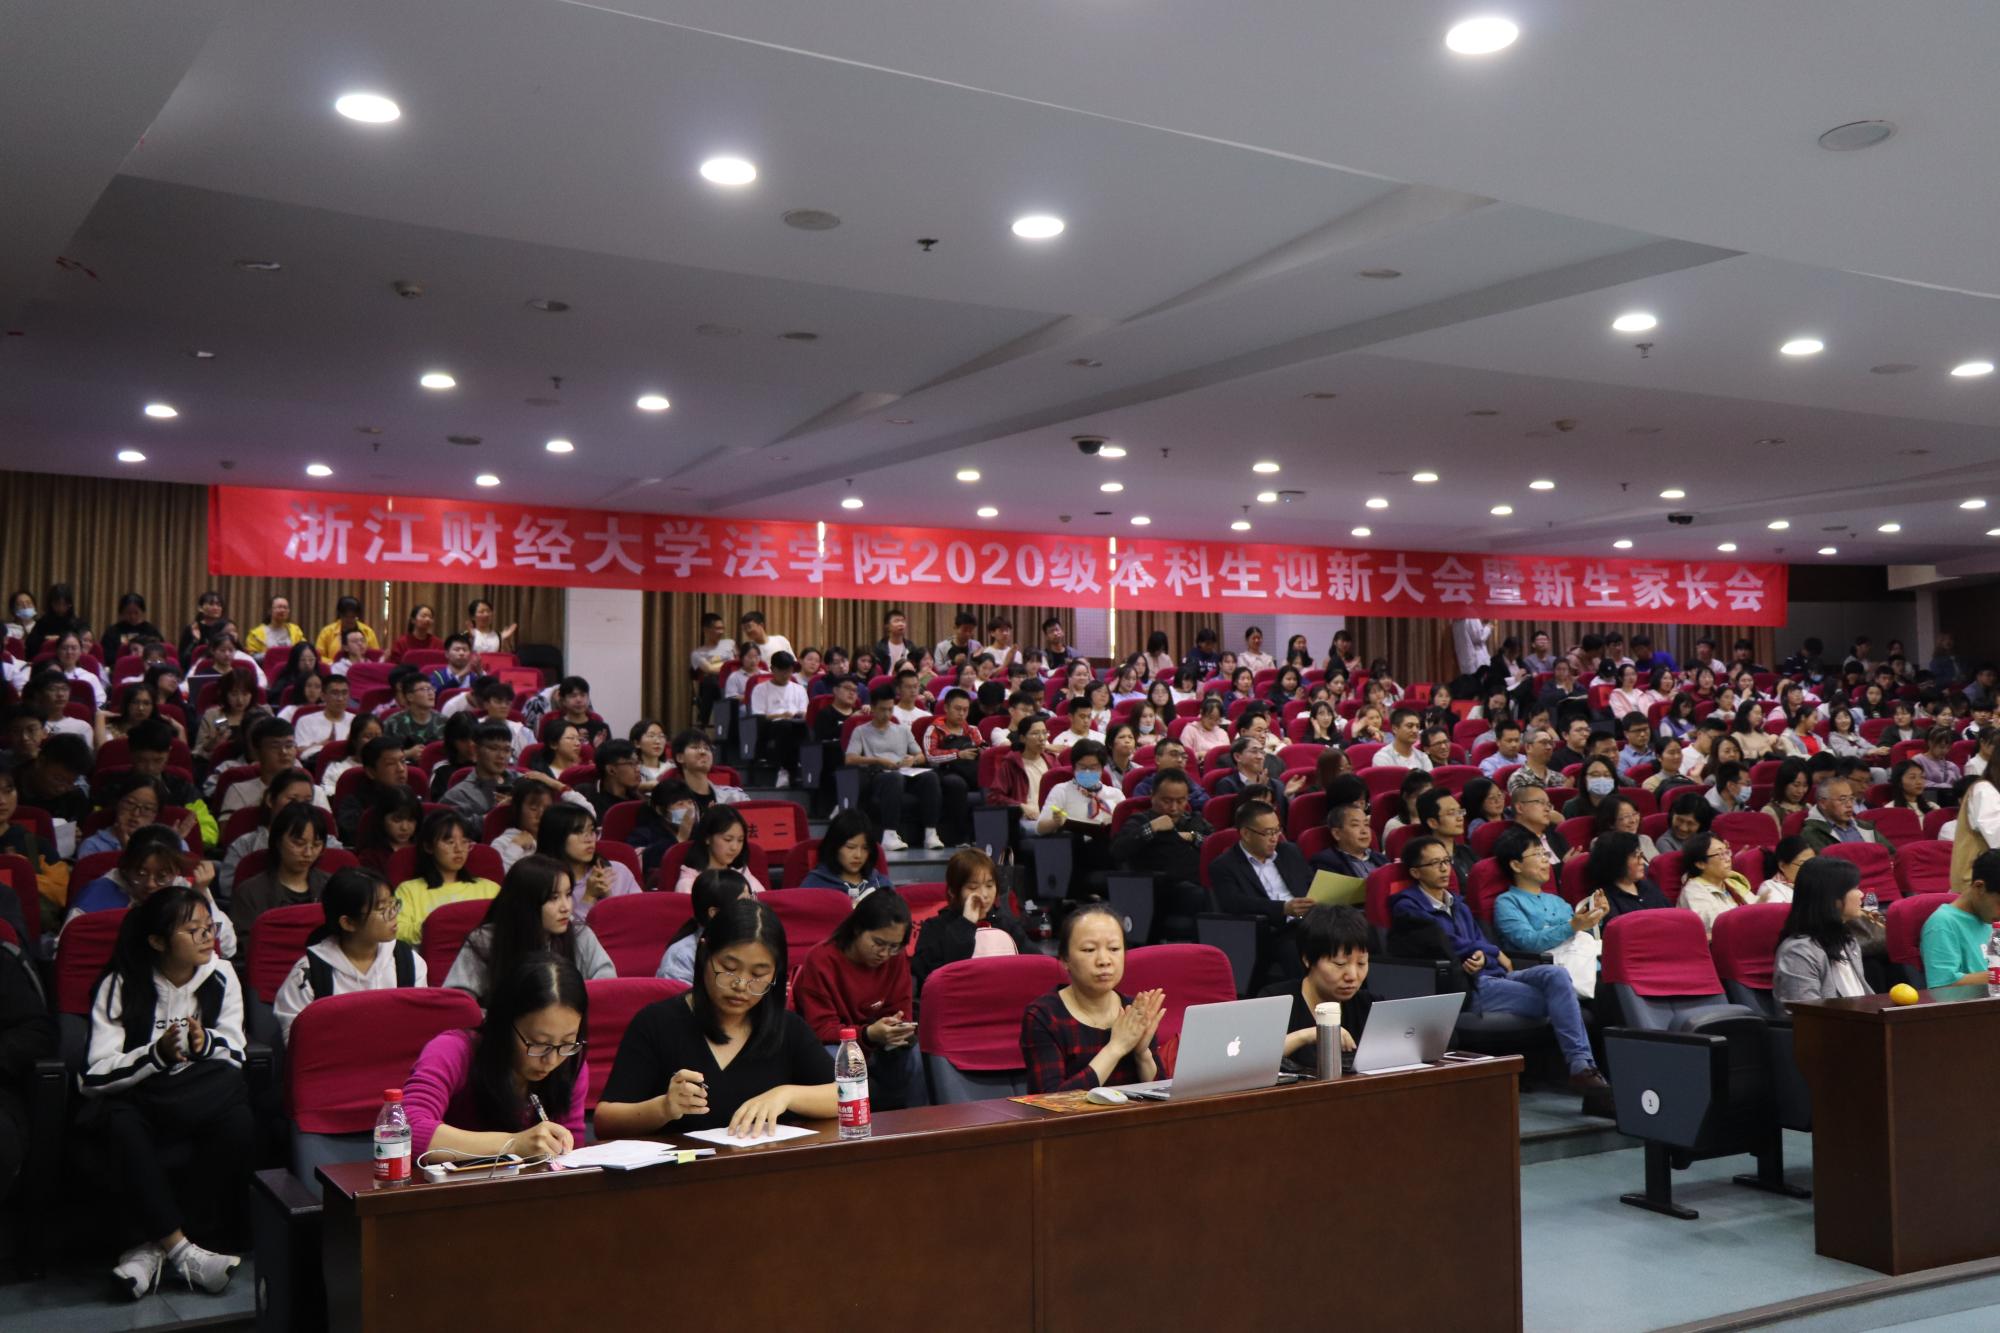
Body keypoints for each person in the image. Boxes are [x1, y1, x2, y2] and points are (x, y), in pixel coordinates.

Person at [81, 887, 250, 1298]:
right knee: (119, 1119)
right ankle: (180, 1250)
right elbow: (93, 1075)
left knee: (237, 1111)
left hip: (196, 1096)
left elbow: (235, 1052)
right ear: (157, 941)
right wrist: (155, 1055)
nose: (207, 937)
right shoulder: (122, 983)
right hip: (139, 1098)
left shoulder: (222, 975)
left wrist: (204, 1044)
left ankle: (153, 1250)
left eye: (209, 927)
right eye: (193, 930)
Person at [597, 898, 836, 1138]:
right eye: (729, 968)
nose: (741, 985)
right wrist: (664, 1108)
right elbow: (605, 1122)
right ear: (704, 953)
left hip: (766, 1160)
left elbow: (846, 1095)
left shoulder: (787, 1029)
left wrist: (787, 1095)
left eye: (758, 974)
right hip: (681, 1162)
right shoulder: (656, 1023)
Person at [1389, 837, 1608, 1091]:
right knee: (1562, 998)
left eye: (1446, 861)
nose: (1444, 868)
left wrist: (1485, 954)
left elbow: (1478, 942)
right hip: (1470, 985)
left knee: (1556, 975)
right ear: (1416, 872)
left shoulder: (1457, 903)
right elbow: (1441, 941)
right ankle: (1583, 1070)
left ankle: (1581, 1068)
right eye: (1434, 863)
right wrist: (1488, 951)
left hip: (1495, 976)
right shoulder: (1408, 907)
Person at [405, 952, 585, 1162]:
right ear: (504, 1024)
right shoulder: (453, 1051)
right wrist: (514, 1144)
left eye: (566, 1043)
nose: (552, 1060)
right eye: (539, 1044)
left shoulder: (570, 1061)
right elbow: (405, 1130)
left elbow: (573, 1152)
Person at [792, 889, 920, 1110]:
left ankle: (917, 1120)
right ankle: (850, 1120)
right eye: (878, 942)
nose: (884, 953)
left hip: (877, 1041)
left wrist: (897, 1028)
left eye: (894, 946)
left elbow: (901, 1009)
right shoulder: (821, 959)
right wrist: (868, 1034)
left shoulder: (895, 958)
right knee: (837, 1058)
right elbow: (820, 1030)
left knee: (912, 1053)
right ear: (857, 928)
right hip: (837, 1044)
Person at [1020, 903, 1164, 1093]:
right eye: (1089, 950)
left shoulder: (1133, 1010)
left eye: (1114, 948)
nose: (1104, 960)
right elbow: (1049, 1101)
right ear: (1064, 959)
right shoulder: (1044, 1016)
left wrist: (1142, 1054)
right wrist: (1115, 1048)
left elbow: (1163, 1097)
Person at [273, 867, 426, 1042]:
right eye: (382, 908)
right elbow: (296, 1039)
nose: (394, 914)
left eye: (393, 904)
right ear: (348, 923)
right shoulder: (308, 974)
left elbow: (419, 1026)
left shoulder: (409, 962)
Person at [445, 854, 615, 1000]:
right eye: (553, 898)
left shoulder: (579, 933)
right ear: (525, 903)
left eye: (568, 894)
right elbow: (458, 1002)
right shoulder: (485, 940)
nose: (566, 907)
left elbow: (606, 984)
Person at [1258, 905, 1378, 1076]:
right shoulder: (1275, 1001)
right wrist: (1309, 1035)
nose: (1352, 976)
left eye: (1361, 963)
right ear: (1308, 959)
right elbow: (1252, 1059)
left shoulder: (1369, 1006)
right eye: (1340, 964)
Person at [1210, 800, 1315, 982]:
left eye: (1277, 830)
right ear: (1246, 833)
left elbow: (1309, 883)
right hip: (1271, 930)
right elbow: (1234, 903)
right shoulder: (1224, 865)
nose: (1275, 838)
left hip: (1308, 921)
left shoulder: (1289, 852)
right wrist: (1283, 909)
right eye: (1268, 833)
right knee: (1296, 946)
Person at [1109, 768, 1211, 939]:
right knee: (1201, 895)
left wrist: (1193, 837)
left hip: (1197, 881)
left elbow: (1216, 845)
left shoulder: (1194, 820)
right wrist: (1152, 827)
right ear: (1152, 796)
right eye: (1167, 801)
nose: (1174, 808)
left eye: (1181, 801)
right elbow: (1118, 850)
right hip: (1162, 890)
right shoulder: (1140, 820)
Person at [844, 684, 944, 852]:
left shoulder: (902, 730)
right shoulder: (860, 731)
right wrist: (878, 760)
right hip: (877, 775)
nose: (887, 714)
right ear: (873, 708)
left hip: (903, 772)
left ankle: (930, 833)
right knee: (893, 778)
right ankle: (889, 834)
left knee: (930, 777)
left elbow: (921, 755)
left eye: (890, 709)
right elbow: (850, 759)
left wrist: (913, 760)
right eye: (882, 710)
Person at [911, 848, 1028, 990]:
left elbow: (1035, 963)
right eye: (973, 887)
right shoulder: (934, 928)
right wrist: (966, 923)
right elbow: (931, 979)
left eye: (989, 885)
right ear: (953, 892)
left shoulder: (1005, 924)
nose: (984, 894)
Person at [1772, 858, 1871, 1012]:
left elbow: (1862, 997)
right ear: (1832, 897)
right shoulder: (1798, 952)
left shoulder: (1848, 941)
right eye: (1855, 888)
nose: (1861, 894)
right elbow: (1807, 1016)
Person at [1491, 827, 1606, 957]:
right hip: (1543, 966)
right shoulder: (1507, 902)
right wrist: (1572, 926)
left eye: (1545, 854)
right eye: (1537, 854)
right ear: (1516, 865)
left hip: (1578, 957)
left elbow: (1579, 933)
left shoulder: (1556, 900)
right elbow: (1528, 943)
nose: (1546, 860)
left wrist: (1595, 916)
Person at [392, 809, 501, 945]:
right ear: (428, 847)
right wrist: (436, 928)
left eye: (465, 842)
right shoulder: (408, 891)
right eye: (450, 842)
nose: (459, 849)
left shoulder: (490, 888)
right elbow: (396, 929)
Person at [227, 802, 333, 939]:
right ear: (278, 841)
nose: (308, 853)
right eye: (299, 843)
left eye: (316, 845)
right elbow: (245, 947)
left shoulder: (332, 887)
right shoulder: (250, 893)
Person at [536, 804, 640, 923]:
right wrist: (589, 897)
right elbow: (568, 932)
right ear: (556, 836)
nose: (590, 839)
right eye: (578, 831)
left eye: (592, 831)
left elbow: (641, 918)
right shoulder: (544, 882)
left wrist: (609, 898)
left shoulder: (617, 871)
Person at [1923, 848, 2000, 987]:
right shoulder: (1942, 924)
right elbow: (1942, 986)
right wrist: (1995, 976)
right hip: (1976, 1000)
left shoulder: (1990, 916)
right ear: (1980, 887)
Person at [797, 807, 894, 900]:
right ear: (835, 847)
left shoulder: (881, 884)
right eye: (850, 847)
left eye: (865, 848)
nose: (858, 855)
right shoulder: (814, 884)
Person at [1676, 831, 1756, 938]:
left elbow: (1757, 908)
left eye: (1727, 852)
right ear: (1700, 863)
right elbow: (1717, 928)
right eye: (1720, 854)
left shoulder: (1731, 882)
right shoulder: (1694, 892)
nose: (1728, 859)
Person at [675, 804, 770, 894]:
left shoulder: (742, 873)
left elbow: (763, 901)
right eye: (727, 840)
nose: (735, 847)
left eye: (740, 840)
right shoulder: (689, 884)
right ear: (707, 838)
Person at [1585, 832, 1669, 918]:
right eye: (1635, 856)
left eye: (1641, 855)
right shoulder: (1602, 900)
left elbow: (1670, 913)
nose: (1642, 862)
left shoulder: (1647, 885)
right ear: (1617, 862)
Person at [1798, 776, 1884, 852]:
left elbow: (1889, 853)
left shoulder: (1864, 826)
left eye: (1851, 798)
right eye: (1843, 799)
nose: (1849, 805)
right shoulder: (1813, 833)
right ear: (1823, 803)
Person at [313, 596, 380, 662]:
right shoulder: (327, 631)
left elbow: (376, 655)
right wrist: (333, 663)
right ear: (340, 615)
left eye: (353, 617)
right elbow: (318, 656)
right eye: (346, 617)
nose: (349, 620)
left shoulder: (368, 631)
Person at [1656, 790, 1713, 854]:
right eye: (1679, 820)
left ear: (1701, 825)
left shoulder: (1709, 837)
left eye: (1690, 823)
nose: (1683, 828)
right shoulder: (1665, 843)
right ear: (1672, 816)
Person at [1376, 707, 1432, 772]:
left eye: (1417, 726)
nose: (1415, 730)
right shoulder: (1382, 757)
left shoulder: (1423, 757)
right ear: (1395, 729)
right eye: (1409, 726)